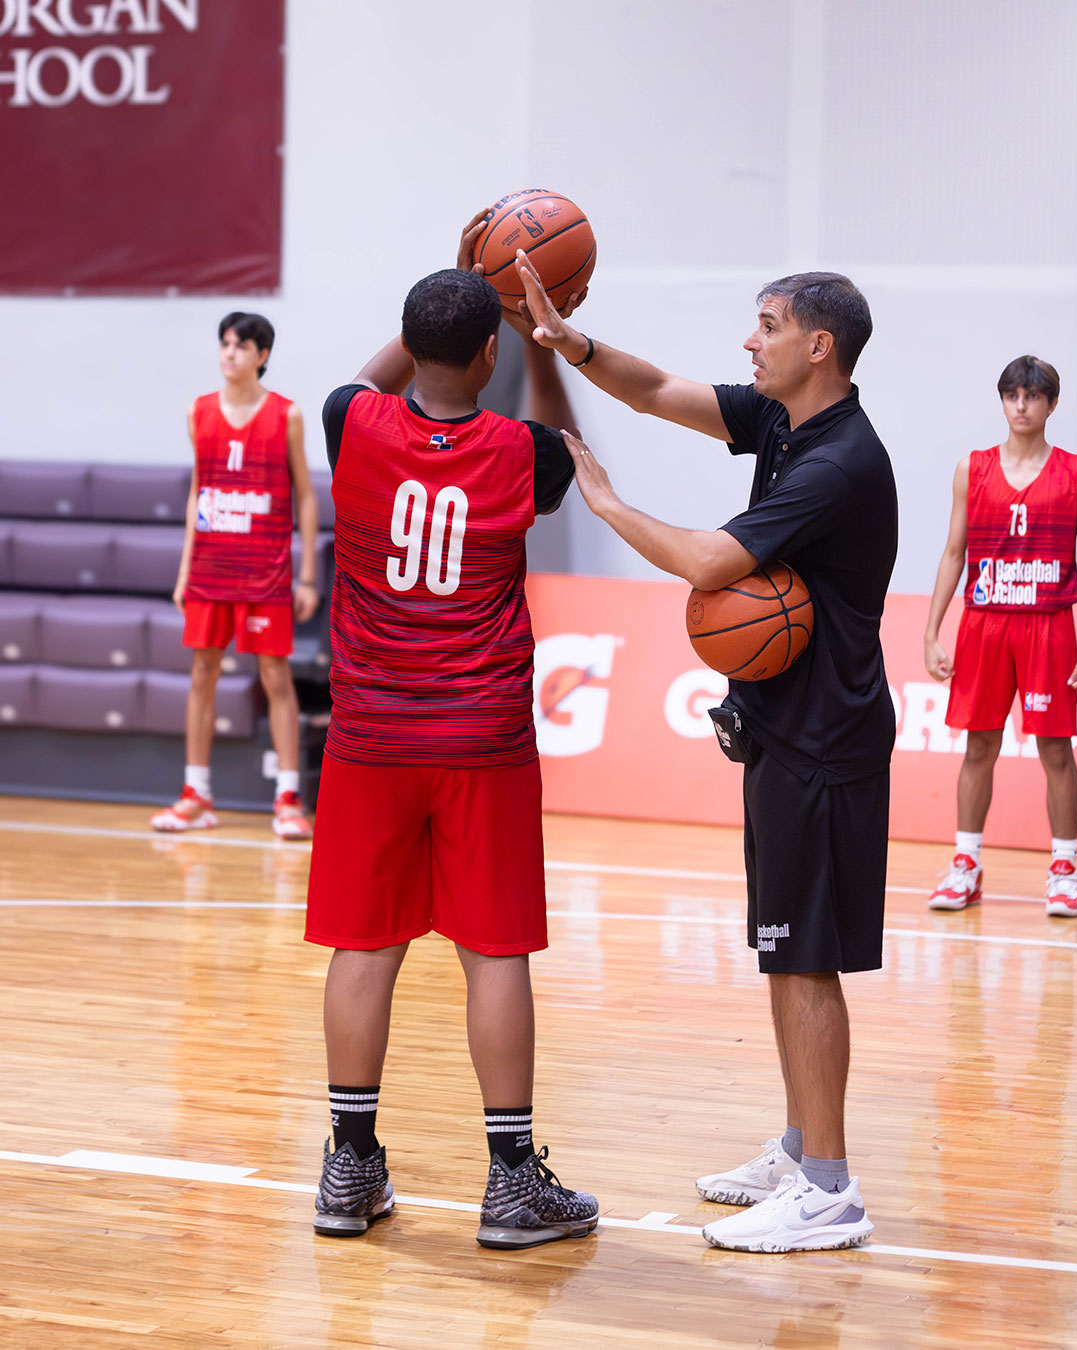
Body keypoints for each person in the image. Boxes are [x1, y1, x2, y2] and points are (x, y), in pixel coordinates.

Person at [516, 255, 896, 1254]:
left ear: (819, 345)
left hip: (827, 741)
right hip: (784, 727)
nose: (749, 339)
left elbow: (708, 563)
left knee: (807, 961)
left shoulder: (838, 462)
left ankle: (831, 1190)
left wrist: (606, 505)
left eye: (766, 324)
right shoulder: (781, 418)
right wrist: (571, 343)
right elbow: (654, 392)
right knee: (783, 951)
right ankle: (801, 1144)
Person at [304, 223, 598, 1250]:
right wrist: (544, 340)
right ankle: (512, 1184)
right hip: (482, 739)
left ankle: (348, 1169)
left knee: (364, 945)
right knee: (495, 950)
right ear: (490, 357)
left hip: (371, 736)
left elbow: (359, 381)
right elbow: (572, 452)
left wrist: (461, 291)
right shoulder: (520, 450)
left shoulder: (356, 423)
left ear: (411, 340)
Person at [150, 312, 319, 840]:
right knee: (202, 675)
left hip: (265, 571)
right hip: (210, 569)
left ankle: (287, 798)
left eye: (241, 346)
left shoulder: (287, 415)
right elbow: (199, 492)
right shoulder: (197, 412)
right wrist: (184, 570)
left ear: (262, 356)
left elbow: (306, 496)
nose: (230, 354)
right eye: (224, 344)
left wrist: (307, 574)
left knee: (275, 680)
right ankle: (195, 794)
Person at [924, 356, 1077, 918]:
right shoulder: (974, 467)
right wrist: (931, 631)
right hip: (985, 624)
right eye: (1012, 395)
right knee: (980, 746)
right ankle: (965, 865)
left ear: (1051, 405)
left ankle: (1065, 868)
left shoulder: (1074, 472)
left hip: (1048, 624)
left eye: (1033, 396)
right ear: (1003, 400)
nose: (1021, 405)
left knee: (1056, 749)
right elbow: (952, 553)